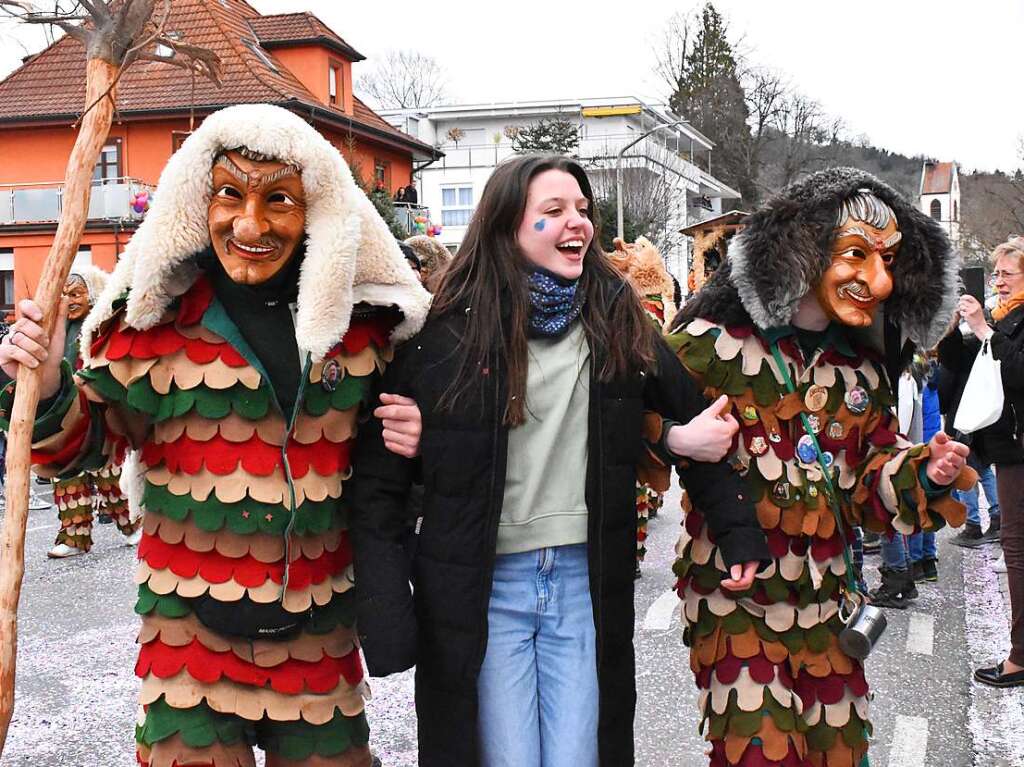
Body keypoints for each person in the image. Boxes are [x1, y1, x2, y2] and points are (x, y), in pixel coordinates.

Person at [0, 104, 431, 767]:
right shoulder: (154, 322)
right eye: (231, 195)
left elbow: (407, 470)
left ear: (314, 209)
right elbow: (84, 446)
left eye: (277, 201)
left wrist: (421, 437)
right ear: (200, 199)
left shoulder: (366, 329)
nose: (249, 225)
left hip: (317, 645)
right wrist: (52, 385)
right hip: (189, 652)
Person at [349, 154, 768, 767]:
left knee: (579, 756)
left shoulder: (616, 318)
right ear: (506, 226)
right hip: (484, 588)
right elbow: (380, 484)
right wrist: (386, 611)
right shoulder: (447, 333)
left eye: (582, 210)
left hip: (583, 580)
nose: (577, 222)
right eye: (553, 211)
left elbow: (697, 418)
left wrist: (737, 531)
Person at [660, 168, 973, 766]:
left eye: (888, 261)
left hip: (830, 607)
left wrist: (922, 474)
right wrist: (678, 436)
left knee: (839, 753)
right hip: (737, 605)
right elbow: (631, 422)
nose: (877, 282)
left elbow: (863, 484)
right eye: (856, 254)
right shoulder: (708, 344)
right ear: (799, 250)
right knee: (761, 752)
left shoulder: (863, 371)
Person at [938, 235, 1024, 688]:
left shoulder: (1010, 323)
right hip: (1006, 446)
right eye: (997, 275)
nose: (999, 283)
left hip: (1019, 447)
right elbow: (962, 366)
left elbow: (1018, 371)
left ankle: (1020, 658)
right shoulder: (1003, 318)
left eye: (1007, 275)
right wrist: (955, 329)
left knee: (1018, 549)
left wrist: (988, 331)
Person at [41, 268, 143, 557]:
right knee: (66, 473)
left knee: (106, 471)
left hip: (98, 413)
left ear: (92, 295)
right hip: (62, 415)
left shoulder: (101, 324)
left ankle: (132, 524)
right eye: (63, 295)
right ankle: (74, 537)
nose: (68, 301)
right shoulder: (55, 328)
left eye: (75, 294)